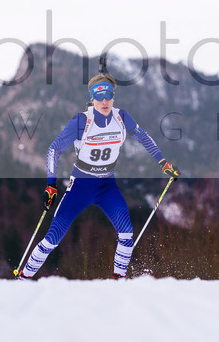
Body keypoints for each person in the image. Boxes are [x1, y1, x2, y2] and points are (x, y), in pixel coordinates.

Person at [18, 73, 180, 280]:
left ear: (113, 97)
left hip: (107, 187)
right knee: (53, 238)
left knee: (126, 233)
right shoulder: (82, 121)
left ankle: (117, 281)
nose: (104, 101)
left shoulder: (122, 118)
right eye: (99, 96)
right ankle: (24, 277)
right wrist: (51, 185)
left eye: (108, 95)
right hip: (80, 187)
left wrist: (163, 162)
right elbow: (54, 149)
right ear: (92, 97)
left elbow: (144, 137)